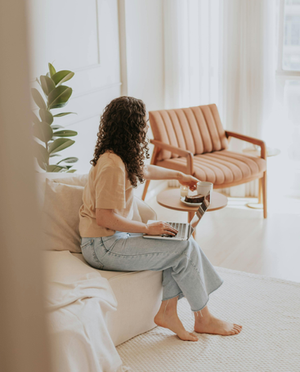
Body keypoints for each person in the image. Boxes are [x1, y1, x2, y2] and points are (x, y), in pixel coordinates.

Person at [79, 96, 242, 341]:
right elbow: (104, 218)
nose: (146, 127)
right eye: (143, 123)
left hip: (113, 239)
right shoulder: (111, 165)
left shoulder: (121, 156)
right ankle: (202, 318)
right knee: (182, 246)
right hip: (102, 246)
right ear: (132, 127)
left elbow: (145, 169)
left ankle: (168, 311)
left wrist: (179, 175)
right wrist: (148, 227)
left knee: (180, 239)